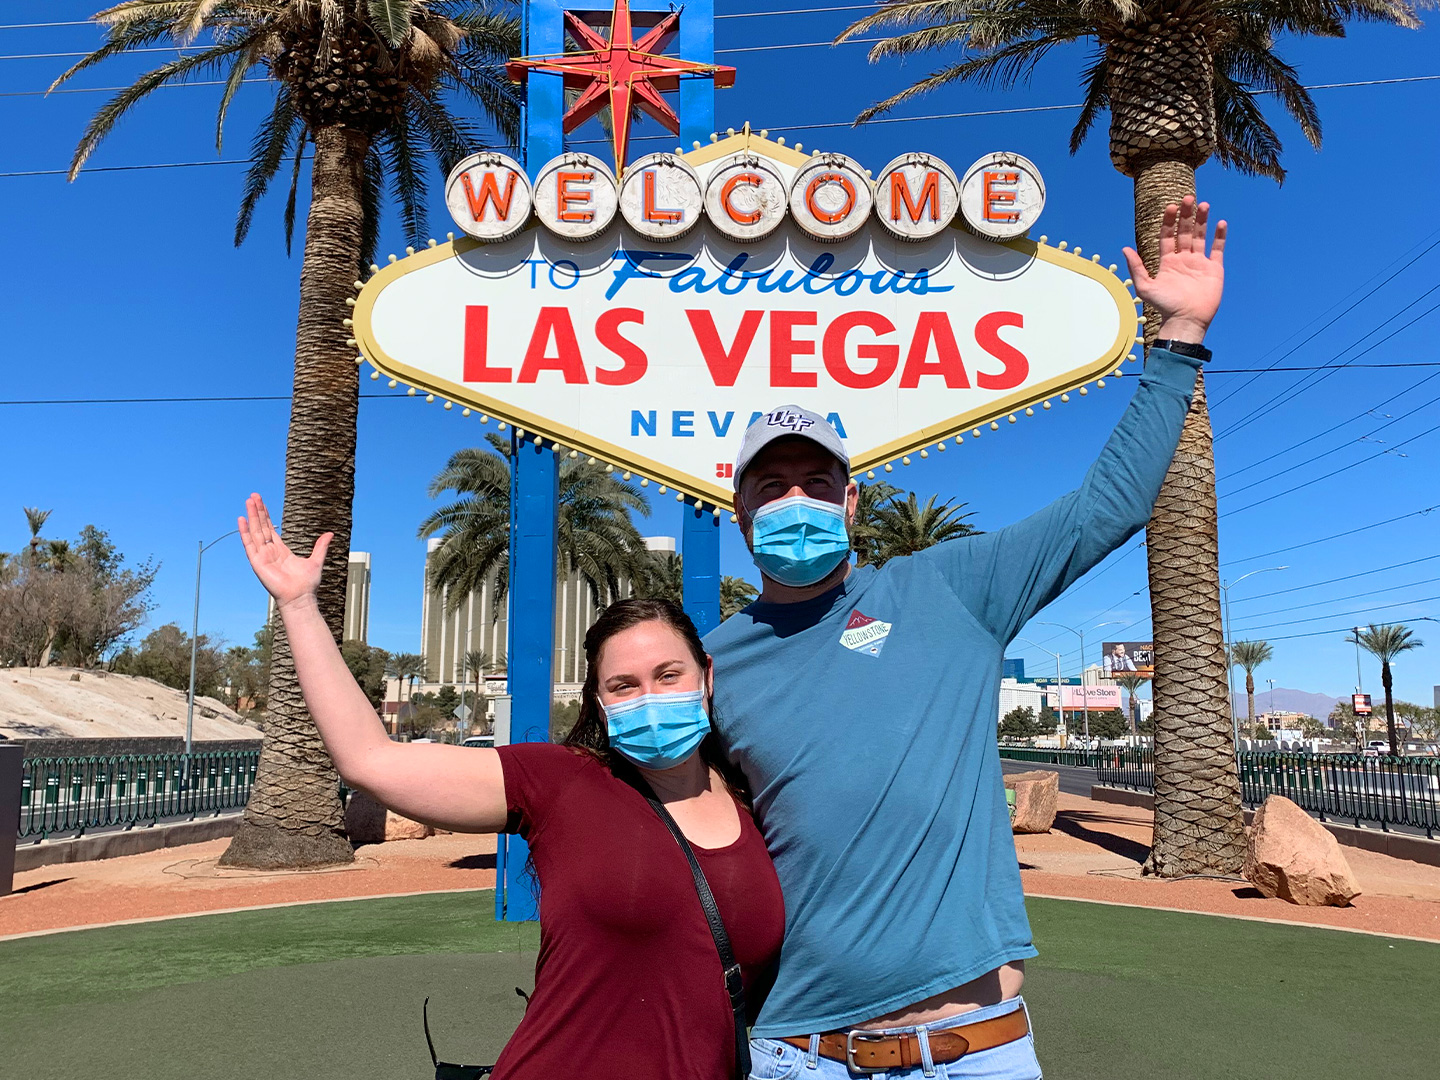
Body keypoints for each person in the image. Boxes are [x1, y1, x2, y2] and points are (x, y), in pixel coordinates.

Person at [705, 197, 1226, 1077]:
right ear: (741, 511)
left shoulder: (947, 589)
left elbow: (1108, 508)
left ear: (853, 503)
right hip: (797, 1049)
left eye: (816, 483)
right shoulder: (714, 662)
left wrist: (1175, 340)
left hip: (975, 1048)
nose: (796, 502)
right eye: (773, 487)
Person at [238, 495, 783, 1080]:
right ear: (600, 704)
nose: (649, 698)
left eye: (668, 675)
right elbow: (370, 759)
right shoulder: (562, 782)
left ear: (706, 677)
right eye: (623, 685)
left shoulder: (759, 801)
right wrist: (298, 606)